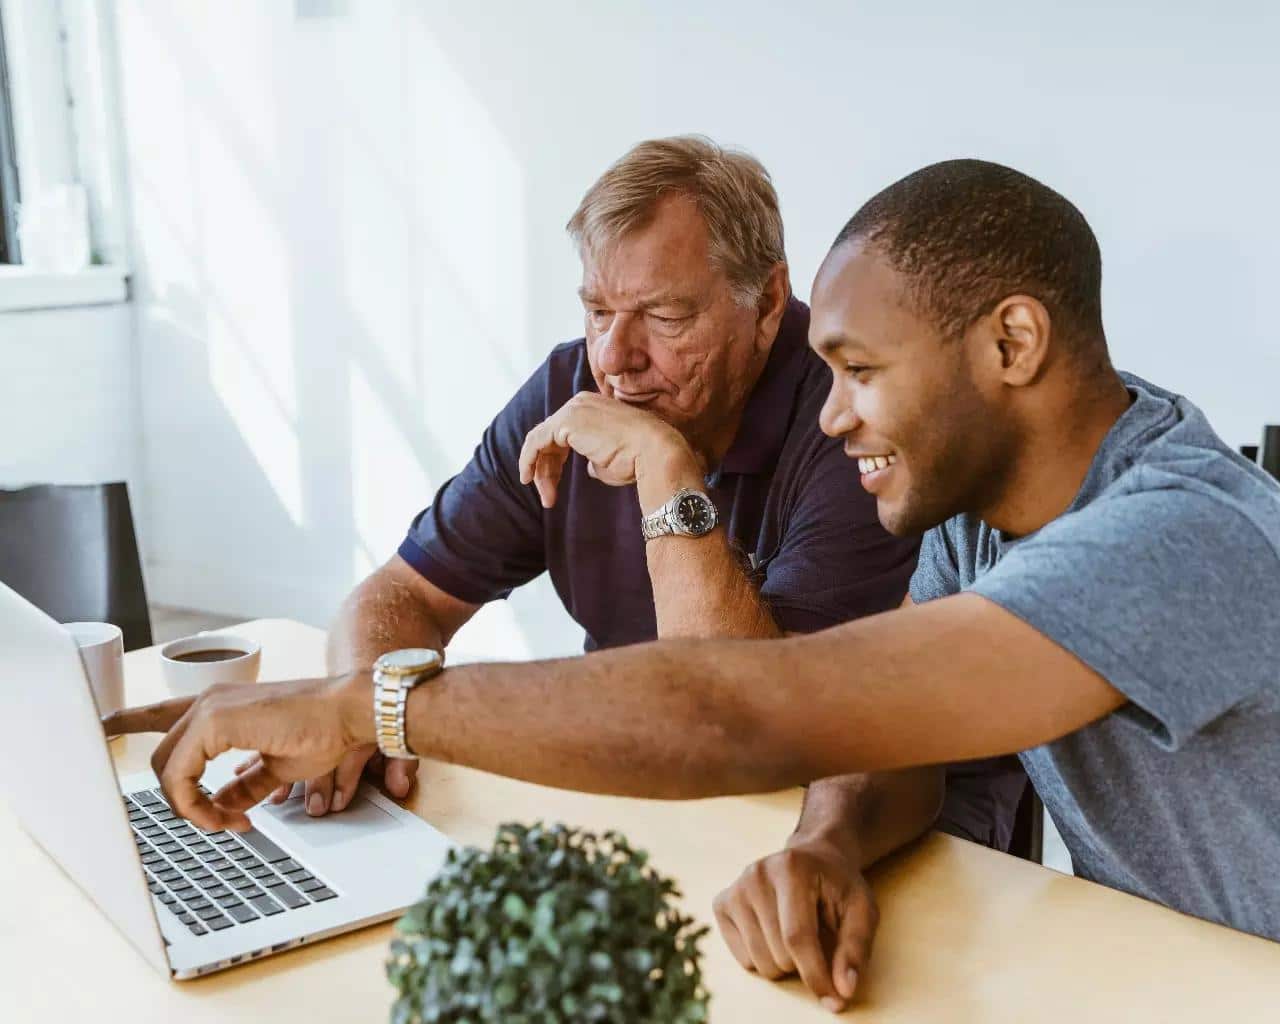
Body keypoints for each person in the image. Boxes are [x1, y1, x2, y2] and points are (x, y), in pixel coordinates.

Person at [111, 159, 1280, 1016]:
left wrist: (361, 706)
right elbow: (888, 742)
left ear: (1010, 343)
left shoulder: (1181, 533)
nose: (830, 415)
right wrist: (827, 841)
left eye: (860, 372)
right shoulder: (983, 513)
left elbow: (743, 707)